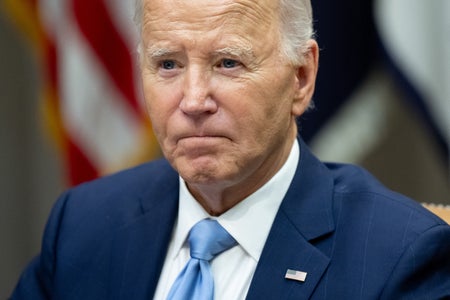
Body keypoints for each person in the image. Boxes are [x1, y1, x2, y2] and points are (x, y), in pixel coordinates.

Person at [10, 0, 450, 299]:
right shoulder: (82, 225)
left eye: (227, 63)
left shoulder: (398, 256)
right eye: (167, 64)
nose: (194, 100)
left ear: (301, 77)